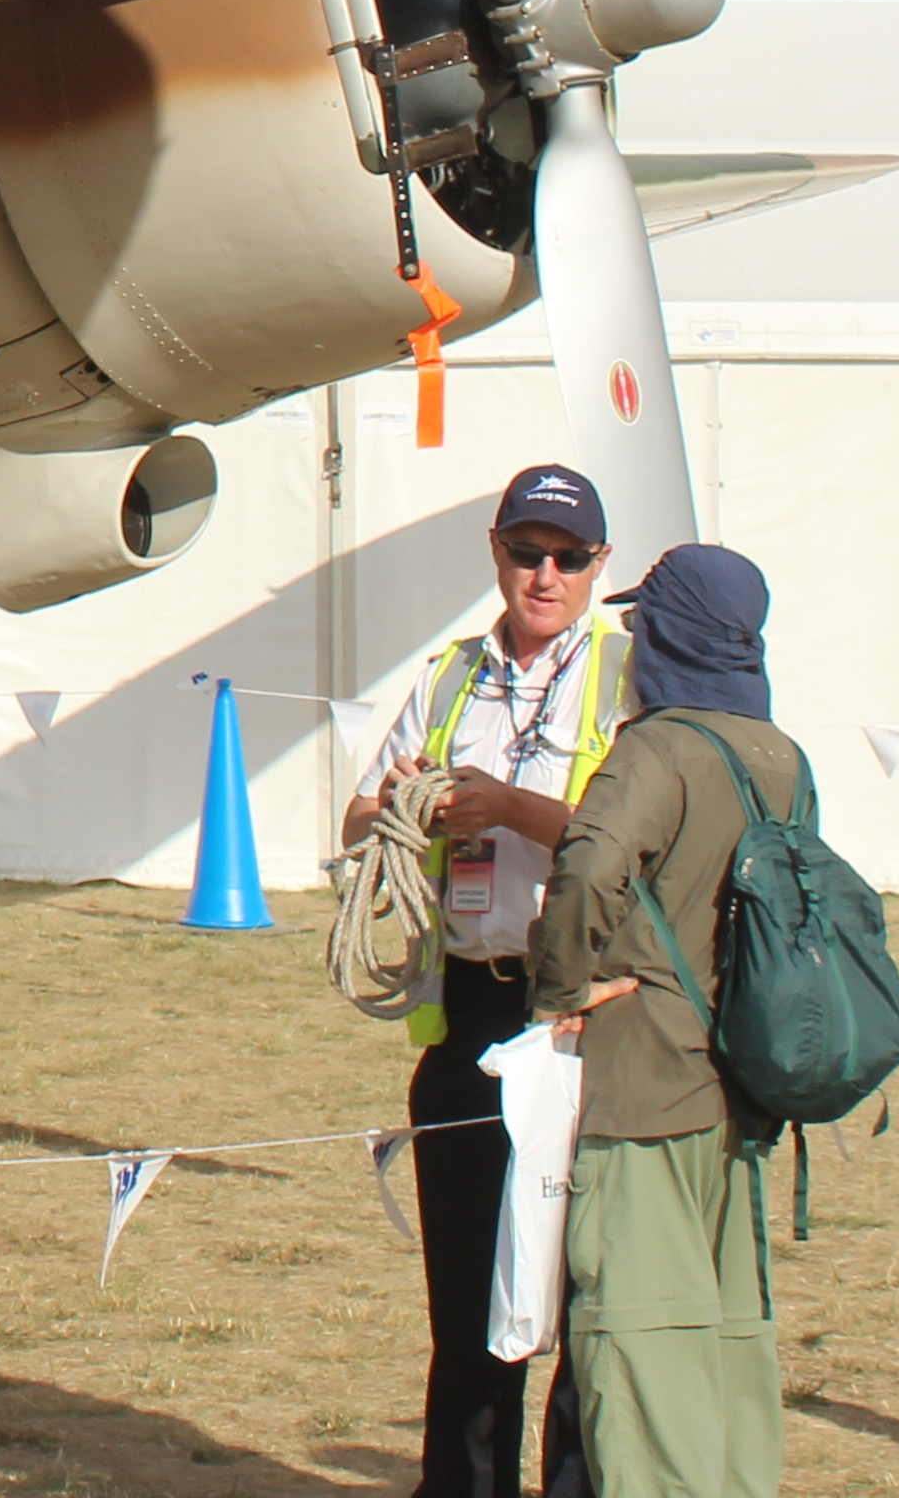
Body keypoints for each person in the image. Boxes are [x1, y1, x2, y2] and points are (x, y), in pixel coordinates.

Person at [345, 462, 635, 1498]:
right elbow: (355, 819)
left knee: (574, 1286)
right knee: (466, 1295)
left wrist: (509, 809)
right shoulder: (451, 675)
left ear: (600, 566)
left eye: (566, 558)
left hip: (578, 1017)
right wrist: (410, 804)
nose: (544, 574)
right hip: (469, 1009)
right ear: (497, 554)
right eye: (526, 552)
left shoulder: (628, 672)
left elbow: (627, 847)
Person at [528, 542, 806, 1498]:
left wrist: (558, 993)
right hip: (744, 1081)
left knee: (641, 1345)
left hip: (646, 1084)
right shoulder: (780, 754)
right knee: (728, 1341)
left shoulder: (657, 746)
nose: (633, 642)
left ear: (672, 636)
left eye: (645, 625)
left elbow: (588, 863)